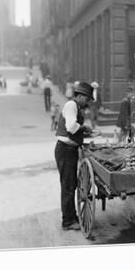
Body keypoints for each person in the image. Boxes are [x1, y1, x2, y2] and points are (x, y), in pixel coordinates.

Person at [54, 82, 94, 231]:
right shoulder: (71, 105)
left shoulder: (76, 107)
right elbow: (71, 127)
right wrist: (83, 128)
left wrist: (85, 131)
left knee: (70, 184)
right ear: (80, 96)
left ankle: (71, 216)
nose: (88, 102)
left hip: (70, 150)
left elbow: (74, 128)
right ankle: (67, 221)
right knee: (68, 186)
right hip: (65, 150)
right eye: (87, 99)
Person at [116, 87, 135, 152]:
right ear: (128, 93)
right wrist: (126, 124)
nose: (132, 95)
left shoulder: (129, 100)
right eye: (131, 93)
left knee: (128, 135)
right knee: (127, 135)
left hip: (128, 122)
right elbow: (124, 114)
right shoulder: (125, 101)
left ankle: (131, 147)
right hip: (126, 122)